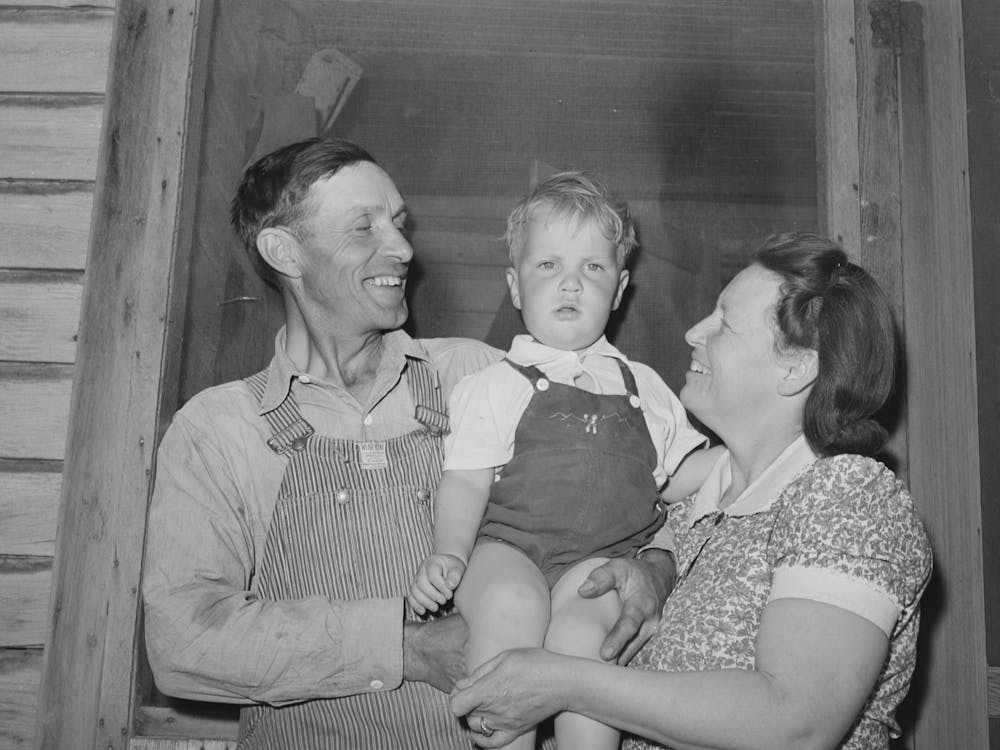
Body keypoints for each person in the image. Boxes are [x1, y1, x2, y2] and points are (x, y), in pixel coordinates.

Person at [141, 137, 678, 750]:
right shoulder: (220, 430)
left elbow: (626, 476)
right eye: (363, 226)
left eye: (397, 222)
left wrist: (654, 570)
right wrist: (406, 648)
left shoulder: (478, 375)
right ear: (284, 250)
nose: (401, 247)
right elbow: (184, 644)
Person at [449, 232, 933, 750]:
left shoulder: (849, 498)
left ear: (796, 367)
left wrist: (565, 680)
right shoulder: (686, 511)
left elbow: (796, 726)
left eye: (723, 323)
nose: (692, 332)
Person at [407, 172, 717, 750]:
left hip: (600, 561)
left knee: (586, 638)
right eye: (548, 265)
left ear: (620, 288)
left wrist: (745, 459)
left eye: (592, 268)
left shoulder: (642, 385)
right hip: (507, 550)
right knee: (511, 604)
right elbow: (466, 482)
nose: (571, 283)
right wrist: (448, 553)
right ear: (516, 287)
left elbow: (678, 478)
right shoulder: (495, 384)